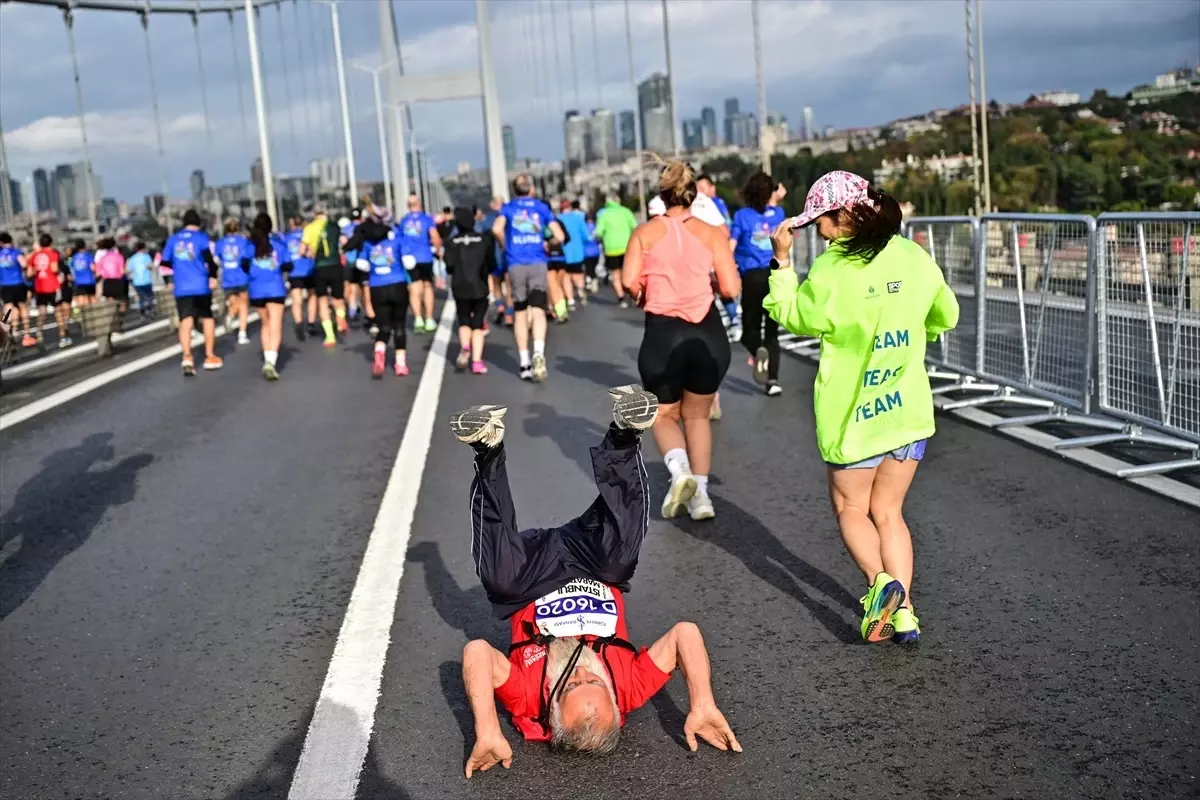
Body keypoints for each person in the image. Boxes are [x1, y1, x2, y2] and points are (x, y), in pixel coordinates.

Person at [450, 387, 741, 778]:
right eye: (594, 683)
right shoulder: (630, 689)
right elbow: (684, 634)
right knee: (622, 562)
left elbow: (477, 653)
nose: (581, 674)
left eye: (570, 686)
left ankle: (487, 447)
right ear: (615, 701)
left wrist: (487, 728)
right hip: (594, 562)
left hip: (528, 577)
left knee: (499, 580)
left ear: (551, 709)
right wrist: (702, 702)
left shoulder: (525, 698)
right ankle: (624, 434)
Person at [764, 170, 961, 645]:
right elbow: (946, 314)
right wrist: (918, 334)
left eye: (822, 221)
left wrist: (782, 262)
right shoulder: (911, 254)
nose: (819, 230)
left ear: (844, 215)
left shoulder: (833, 270)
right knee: (890, 512)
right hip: (906, 406)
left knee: (851, 507)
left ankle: (882, 584)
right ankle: (906, 613)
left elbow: (793, 316)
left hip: (853, 415)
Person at [623, 160, 741, 521]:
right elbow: (731, 288)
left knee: (661, 414)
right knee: (698, 416)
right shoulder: (712, 233)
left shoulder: (644, 234)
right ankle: (701, 497)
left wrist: (644, 293)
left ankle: (680, 472)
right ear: (694, 194)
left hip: (662, 333)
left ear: (662, 194)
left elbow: (629, 282)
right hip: (707, 334)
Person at [492, 174, 564, 382]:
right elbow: (558, 235)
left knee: (521, 312)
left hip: (515, 263)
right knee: (538, 310)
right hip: (537, 262)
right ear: (531, 188)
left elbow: (496, 228)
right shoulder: (541, 207)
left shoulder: (508, 208)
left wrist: (505, 245)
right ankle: (538, 353)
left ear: (514, 190)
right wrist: (548, 245)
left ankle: (524, 363)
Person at [731, 173, 788, 397]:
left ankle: (757, 351)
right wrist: (776, 198)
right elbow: (772, 211)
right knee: (772, 332)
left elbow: (731, 244)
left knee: (750, 331)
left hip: (752, 277)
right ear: (770, 194)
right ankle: (773, 381)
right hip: (776, 276)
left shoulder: (741, 216)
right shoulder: (780, 214)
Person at [348, 211, 410, 378]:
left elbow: (362, 265)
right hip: (397, 284)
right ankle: (400, 363)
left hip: (377, 287)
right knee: (399, 325)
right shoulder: (397, 241)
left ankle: (379, 349)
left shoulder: (368, 245)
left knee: (383, 326)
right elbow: (409, 263)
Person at [161, 208, 222, 375]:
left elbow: (164, 262)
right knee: (207, 318)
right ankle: (209, 356)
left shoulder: (173, 239)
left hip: (181, 286)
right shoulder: (201, 238)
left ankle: (187, 357)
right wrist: (212, 276)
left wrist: (179, 270)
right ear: (199, 223)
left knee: (185, 320)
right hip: (200, 284)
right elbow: (210, 260)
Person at [444, 206, 496, 374]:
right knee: (478, 324)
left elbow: (449, 267)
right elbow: (491, 263)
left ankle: (465, 346)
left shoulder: (452, 243)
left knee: (464, 319)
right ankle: (477, 361)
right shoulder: (484, 240)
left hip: (460, 286)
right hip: (479, 285)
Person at [241, 212, 291, 381]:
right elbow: (288, 265)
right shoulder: (277, 244)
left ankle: (267, 355)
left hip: (256, 290)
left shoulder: (250, 246)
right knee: (275, 325)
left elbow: (244, 264)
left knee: (265, 324)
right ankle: (270, 361)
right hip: (275, 288)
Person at [301, 203, 348, 348]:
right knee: (338, 298)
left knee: (322, 299)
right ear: (326, 213)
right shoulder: (334, 226)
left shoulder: (309, 228)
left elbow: (302, 250)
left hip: (320, 267)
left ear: (314, 214)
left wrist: (309, 254)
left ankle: (330, 336)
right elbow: (344, 241)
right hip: (335, 265)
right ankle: (340, 317)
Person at [397, 193, 442, 333]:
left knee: (414, 289)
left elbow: (399, 240)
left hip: (409, 259)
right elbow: (434, 236)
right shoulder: (427, 219)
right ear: (420, 204)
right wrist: (438, 248)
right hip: (425, 257)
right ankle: (429, 319)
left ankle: (418, 319)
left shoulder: (403, 221)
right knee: (428, 287)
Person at [591, 195, 637, 308]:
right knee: (630, 271)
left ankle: (621, 299)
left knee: (615, 275)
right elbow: (635, 226)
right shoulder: (626, 212)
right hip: (627, 247)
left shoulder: (604, 214)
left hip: (611, 249)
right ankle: (632, 294)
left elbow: (599, 232)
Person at [215, 218, 252, 345]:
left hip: (228, 278)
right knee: (243, 304)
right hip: (241, 276)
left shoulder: (220, 243)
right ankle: (242, 333)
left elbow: (218, 259)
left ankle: (230, 317)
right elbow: (248, 257)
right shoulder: (243, 241)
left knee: (233, 303)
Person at [479, 197, 512, 327]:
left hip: (494, 257)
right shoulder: (510, 216)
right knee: (510, 287)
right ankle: (509, 314)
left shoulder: (487, 220)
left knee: (496, 284)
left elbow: (481, 236)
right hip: (510, 256)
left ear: (492, 205)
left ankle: (500, 306)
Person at [27, 233, 65, 347]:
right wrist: (60, 273)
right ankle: (63, 334)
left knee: (42, 311)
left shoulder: (34, 256)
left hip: (40, 286)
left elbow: (29, 273)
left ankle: (39, 331)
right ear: (51, 243)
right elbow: (54, 268)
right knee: (58, 310)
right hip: (52, 285)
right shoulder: (52, 254)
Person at [285, 216, 318, 342]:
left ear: (292, 224)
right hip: (309, 268)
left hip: (294, 271)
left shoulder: (287, 238)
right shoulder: (308, 234)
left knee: (296, 299)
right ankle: (311, 323)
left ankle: (299, 323)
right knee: (312, 295)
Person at [0, 232, 33, 347]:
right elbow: (24, 265)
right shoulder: (16, 252)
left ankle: (13, 330)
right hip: (18, 283)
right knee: (22, 306)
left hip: (5, 285)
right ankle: (27, 333)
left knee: (9, 307)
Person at [559, 199, 591, 309]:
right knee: (578, 274)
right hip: (578, 251)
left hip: (563, 253)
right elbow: (586, 235)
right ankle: (581, 289)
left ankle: (571, 299)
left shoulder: (558, 219)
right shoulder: (578, 218)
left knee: (566, 276)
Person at [95, 238, 128, 313]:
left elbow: (98, 273)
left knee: (110, 301)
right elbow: (122, 271)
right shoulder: (119, 256)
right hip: (118, 281)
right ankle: (122, 315)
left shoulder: (102, 258)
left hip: (107, 281)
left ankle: (113, 316)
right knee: (122, 301)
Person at [127, 241, 155, 318]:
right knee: (149, 296)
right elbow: (150, 266)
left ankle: (142, 311)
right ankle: (149, 310)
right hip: (147, 280)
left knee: (141, 297)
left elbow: (129, 270)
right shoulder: (146, 256)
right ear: (144, 248)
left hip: (137, 281)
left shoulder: (132, 258)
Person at [68, 239, 97, 308]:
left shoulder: (73, 257)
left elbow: (70, 268)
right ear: (84, 246)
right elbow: (93, 268)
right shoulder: (88, 255)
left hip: (78, 281)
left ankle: (84, 315)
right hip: (89, 281)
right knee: (92, 298)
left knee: (81, 300)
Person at [583, 211, 602, 295]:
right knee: (593, 268)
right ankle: (593, 281)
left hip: (586, 252)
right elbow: (599, 239)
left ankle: (589, 281)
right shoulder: (597, 227)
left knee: (588, 268)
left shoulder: (584, 227)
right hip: (595, 252)